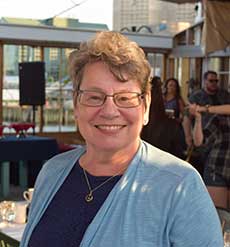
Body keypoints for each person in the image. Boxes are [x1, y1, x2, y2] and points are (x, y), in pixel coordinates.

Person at [20, 31, 223, 247]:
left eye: (125, 98)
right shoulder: (52, 172)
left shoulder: (180, 185)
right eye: (95, 97)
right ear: (76, 104)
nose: (109, 111)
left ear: (145, 106)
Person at [189, 103, 230, 209]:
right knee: (218, 217)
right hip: (218, 170)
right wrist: (198, 120)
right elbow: (199, 142)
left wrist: (205, 108)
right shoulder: (221, 118)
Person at [141, 76, 184, 159]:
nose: (171, 88)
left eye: (174, 86)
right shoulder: (161, 98)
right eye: (170, 85)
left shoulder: (178, 100)